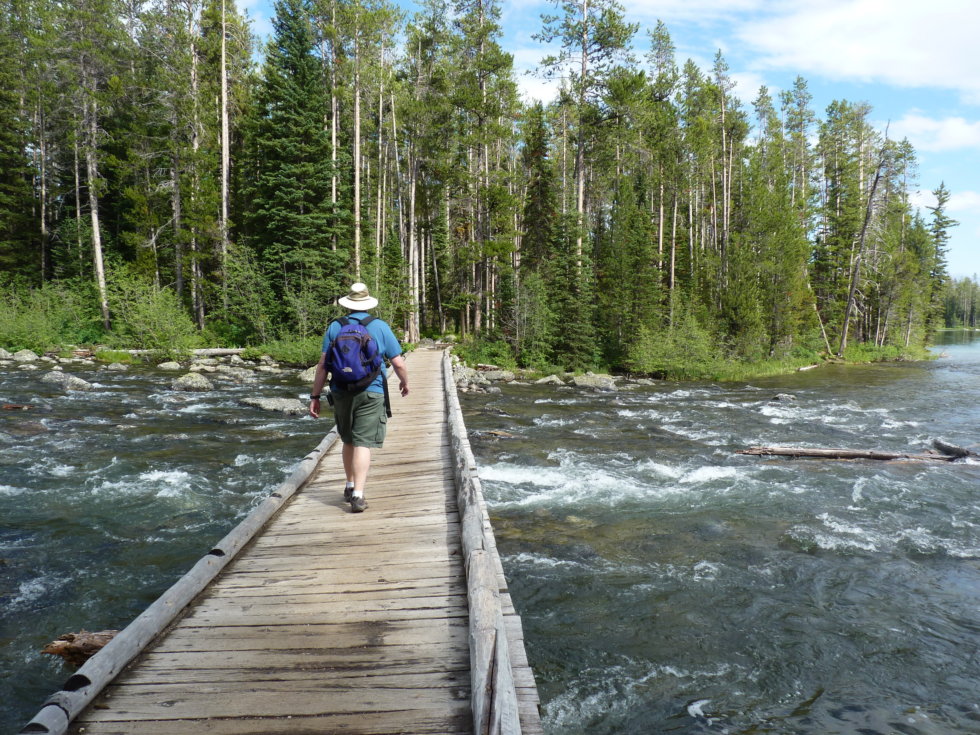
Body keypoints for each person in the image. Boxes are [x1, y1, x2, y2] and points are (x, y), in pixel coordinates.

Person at [309, 282, 409, 512]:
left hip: (341, 390)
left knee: (348, 439)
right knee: (363, 442)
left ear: (349, 304)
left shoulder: (335, 326)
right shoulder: (380, 326)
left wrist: (315, 396)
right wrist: (404, 382)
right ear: (367, 302)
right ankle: (358, 495)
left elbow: (323, 365)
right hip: (371, 391)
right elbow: (398, 363)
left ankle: (349, 484)